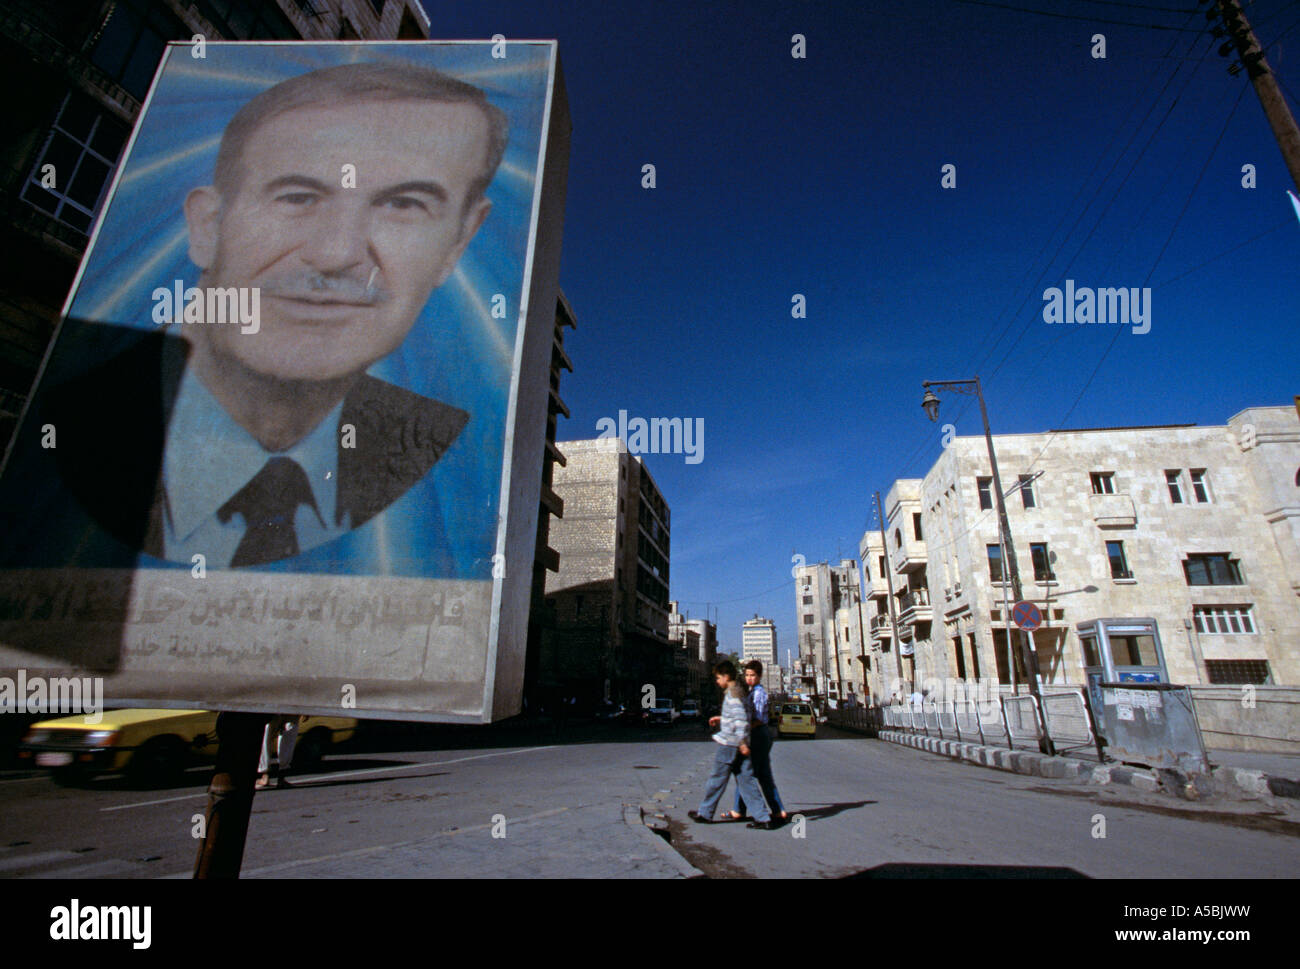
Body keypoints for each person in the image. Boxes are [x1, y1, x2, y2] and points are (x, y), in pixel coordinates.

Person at [29, 61, 508, 569]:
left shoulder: (449, 468)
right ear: (207, 225)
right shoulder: (61, 429)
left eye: (403, 204)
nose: (336, 253)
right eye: (298, 196)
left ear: (458, 242)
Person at [688, 661, 775, 830]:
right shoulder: (740, 692)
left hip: (730, 743)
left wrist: (742, 743)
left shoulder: (732, 694)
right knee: (746, 781)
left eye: (718, 677)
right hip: (739, 743)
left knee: (717, 779)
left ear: (726, 676)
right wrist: (721, 719)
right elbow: (742, 715)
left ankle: (705, 813)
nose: (717, 681)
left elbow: (741, 719)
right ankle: (763, 818)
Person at [728, 660, 787, 823]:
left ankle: (744, 811)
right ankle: (777, 810)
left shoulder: (759, 693)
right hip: (758, 734)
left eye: (752, 675)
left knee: (744, 772)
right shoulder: (752, 691)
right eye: (747, 675)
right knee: (763, 774)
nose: (749, 678)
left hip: (759, 734)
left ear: (759, 676)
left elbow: (759, 719)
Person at [256, 715, 301, 790]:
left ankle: (266, 775)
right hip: (290, 709)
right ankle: (280, 777)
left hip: (274, 709)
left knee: (267, 738)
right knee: (287, 738)